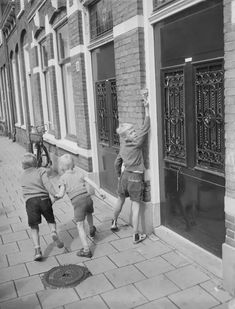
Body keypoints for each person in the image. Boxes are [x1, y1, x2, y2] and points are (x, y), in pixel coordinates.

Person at [110, 90, 150, 244]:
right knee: (135, 206)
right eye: (132, 132)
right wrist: (146, 108)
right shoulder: (137, 142)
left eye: (134, 131)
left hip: (125, 176)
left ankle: (113, 221)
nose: (135, 133)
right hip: (135, 178)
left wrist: (119, 176)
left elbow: (117, 163)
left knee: (120, 199)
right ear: (126, 136)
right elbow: (146, 127)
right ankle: (136, 235)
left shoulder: (123, 146)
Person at [21, 153, 64, 261]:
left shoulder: (22, 176)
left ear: (23, 166)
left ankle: (37, 250)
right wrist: (55, 194)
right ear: (36, 163)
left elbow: (24, 192)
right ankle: (53, 231)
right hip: (44, 199)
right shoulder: (41, 171)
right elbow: (47, 184)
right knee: (50, 220)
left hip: (30, 202)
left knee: (34, 226)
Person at [56, 154, 99, 258]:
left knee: (80, 226)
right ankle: (92, 228)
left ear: (61, 167)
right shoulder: (80, 173)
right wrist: (99, 191)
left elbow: (61, 194)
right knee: (89, 213)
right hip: (88, 198)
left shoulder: (63, 178)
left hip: (78, 202)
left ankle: (86, 250)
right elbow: (90, 182)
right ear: (73, 164)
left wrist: (57, 196)